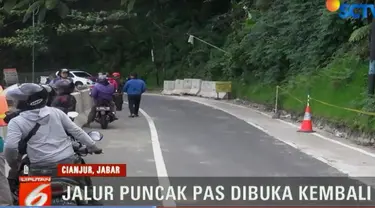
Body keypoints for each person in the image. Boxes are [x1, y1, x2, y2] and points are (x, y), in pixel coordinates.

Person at [4, 83, 102, 200]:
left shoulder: (16, 121)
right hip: (67, 163)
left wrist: (13, 165)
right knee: (87, 194)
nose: (15, 103)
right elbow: (76, 131)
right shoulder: (56, 112)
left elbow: (10, 147)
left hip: (38, 168)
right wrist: (92, 146)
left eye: (18, 100)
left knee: (31, 199)